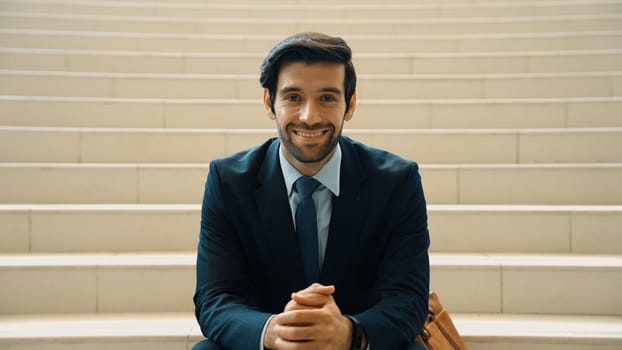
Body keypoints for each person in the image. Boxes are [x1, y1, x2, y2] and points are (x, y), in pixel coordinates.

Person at [193, 32, 430, 350]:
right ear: (269, 102)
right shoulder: (228, 181)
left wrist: (348, 333)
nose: (309, 116)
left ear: (351, 104)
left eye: (327, 98)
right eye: (293, 97)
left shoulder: (397, 182)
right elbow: (215, 297)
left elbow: (407, 299)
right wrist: (272, 332)